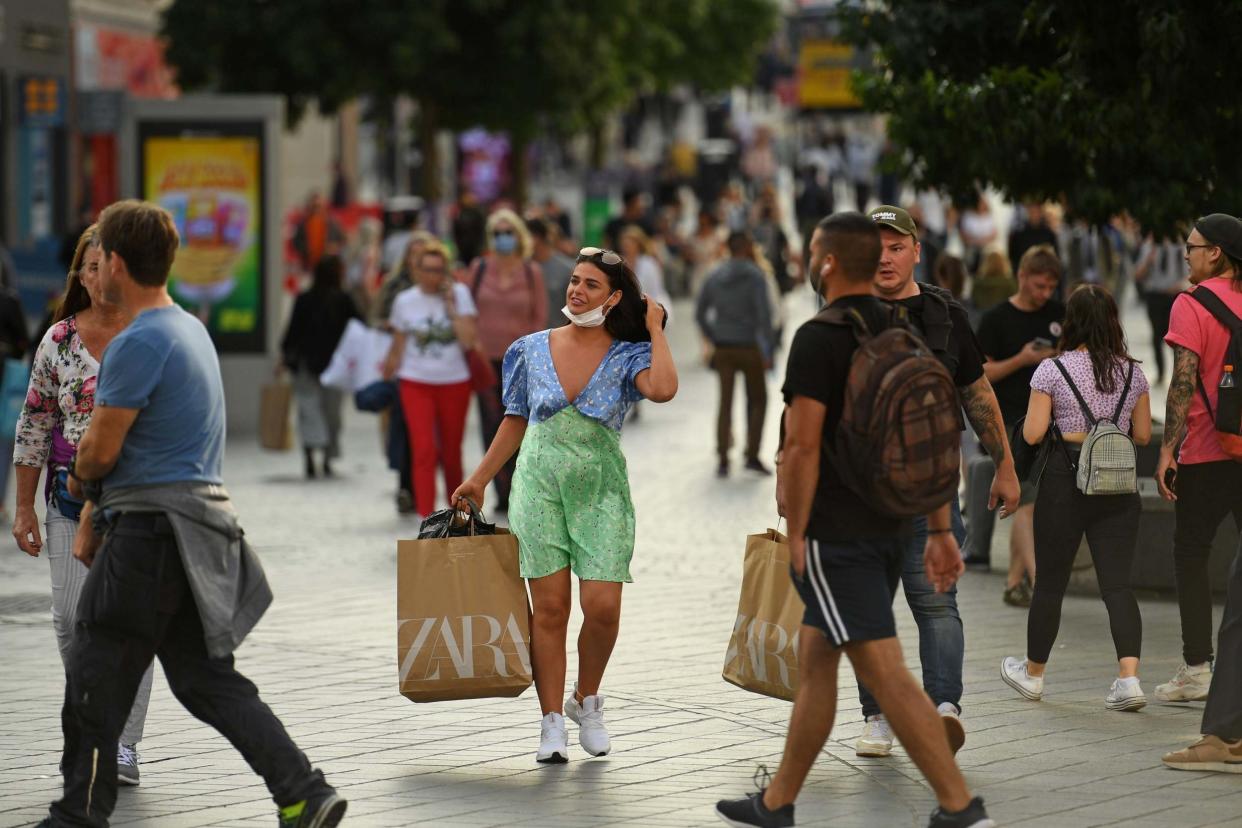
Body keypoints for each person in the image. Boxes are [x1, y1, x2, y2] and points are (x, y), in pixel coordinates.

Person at [40, 199, 345, 828]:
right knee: (206, 680)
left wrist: (81, 484)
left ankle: (78, 815)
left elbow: (100, 447)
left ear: (117, 263)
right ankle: (304, 793)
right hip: (192, 533)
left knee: (94, 675)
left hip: (149, 535)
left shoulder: (139, 341)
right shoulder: (188, 329)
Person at [716, 212, 993, 828]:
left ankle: (961, 810)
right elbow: (931, 435)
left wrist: (800, 536)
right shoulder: (904, 327)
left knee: (886, 676)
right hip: (894, 524)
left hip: (839, 535)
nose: (810, 259)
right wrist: (941, 528)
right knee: (817, 664)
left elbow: (803, 445)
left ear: (830, 262)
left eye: (814, 250)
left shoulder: (820, 336)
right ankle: (777, 802)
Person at [451, 247, 677, 764]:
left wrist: (655, 328)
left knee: (603, 608)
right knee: (549, 611)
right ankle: (551, 721)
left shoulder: (628, 353)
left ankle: (586, 700)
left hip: (601, 493)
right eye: (574, 281)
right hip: (538, 488)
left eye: (591, 285)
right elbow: (515, 419)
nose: (576, 290)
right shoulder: (528, 349)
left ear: (615, 297)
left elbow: (663, 389)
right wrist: (480, 479)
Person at [855, 205, 1020, 759]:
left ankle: (944, 709)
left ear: (916, 250)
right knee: (869, 609)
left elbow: (977, 392)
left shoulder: (945, 314)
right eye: (876, 246)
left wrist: (1005, 464)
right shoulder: (845, 313)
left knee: (936, 602)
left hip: (931, 490)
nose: (885, 256)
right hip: (862, 491)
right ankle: (876, 718)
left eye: (896, 246)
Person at [12, 224, 153, 788]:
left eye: (107, 267)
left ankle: (121, 742)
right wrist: (24, 508)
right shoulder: (59, 340)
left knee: (133, 625)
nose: (98, 280)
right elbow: (35, 423)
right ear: (80, 276)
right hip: (69, 503)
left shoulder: (152, 336)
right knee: (73, 621)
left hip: (140, 505)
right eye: (87, 269)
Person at [1001, 285, 1152, 709]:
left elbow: (1031, 433)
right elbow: (1141, 435)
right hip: (1117, 487)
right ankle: (1129, 679)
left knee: (1050, 582)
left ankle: (1034, 674)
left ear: (1072, 322)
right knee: (1118, 586)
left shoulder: (1052, 371)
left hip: (1064, 483)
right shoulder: (1133, 372)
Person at [1153, 214, 1242, 708]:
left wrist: (1169, 448)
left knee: (1191, 554)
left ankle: (1198, 669)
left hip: (1207, 452)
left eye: (1192, 247)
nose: (1185, 254)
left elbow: (1182, 380)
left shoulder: (1190, 304)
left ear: (1216, 254)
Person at [977, 245, 1066, 607]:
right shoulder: (997, 319)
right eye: (1038, 286)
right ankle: (1042, 583)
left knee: (1029, 504)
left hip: (1051, 423)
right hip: (1010, 421)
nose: (1044, 294)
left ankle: (1015, 582)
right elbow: (981, 373)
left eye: (1050, 287)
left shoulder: (1059, 315)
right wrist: (1023, 359)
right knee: (1027, 503)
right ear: (1022, 277)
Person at [382, 241, 479, 519]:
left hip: (454, 381)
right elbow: (398, 346)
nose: (433, 276)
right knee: (423, 450)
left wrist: (451, 306)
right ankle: (427, 517)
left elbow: (468, 340)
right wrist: (385, 374)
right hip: (415, 381)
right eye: (427, 269)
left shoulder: (460, 294)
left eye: (439, 270)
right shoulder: (404, 301)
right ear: (415, 269)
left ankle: (455, 515)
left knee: (451, 452)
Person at [466, 209, 547, 511]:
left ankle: (517, 485)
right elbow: (468, 312)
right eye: (497, 233)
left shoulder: (531, 272)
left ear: (518, 236)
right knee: (490, 423)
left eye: (508, 232)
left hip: (520, 363)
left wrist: (535, 359)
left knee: (519, 423)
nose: (503, 238)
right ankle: (497, 487)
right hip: (485, 360)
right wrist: (474, 347)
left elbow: (539, 318)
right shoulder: (479, 268)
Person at [696, 232, 774, 478]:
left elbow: (699, 312)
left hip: (723, 346)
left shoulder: (715, 274)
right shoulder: (755, 275)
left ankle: (722, 457)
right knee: (758, 399)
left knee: (725, 402)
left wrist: (714, 334)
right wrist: (768, 350)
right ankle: (752, 454)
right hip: (749, 344)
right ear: (749, 247)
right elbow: (764, 316)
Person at [281, 255, 361, 478]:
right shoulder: (344, 300)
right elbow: (358, 329)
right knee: (331, 412)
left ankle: (309, 454)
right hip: (337, 366)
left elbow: (292, 332)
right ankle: (327, 455)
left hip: (307, 363)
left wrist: (285, 357)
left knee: (308, 410)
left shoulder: (304, 299)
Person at [1133, 234, 1186, 385]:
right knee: (1157, 335)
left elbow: (1188, 275)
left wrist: (1178, 287)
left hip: (1174, 296)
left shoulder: (1179, 247)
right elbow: (1137, 274)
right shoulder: (1149, 246)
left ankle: (1179, 372)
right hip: (1154, 295)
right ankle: (1161, 372)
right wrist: (1149, 259)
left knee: (1176, 337)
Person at [372, 231, 435, 326]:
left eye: (423, 254)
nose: (418, 259)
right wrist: (386, 324)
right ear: (407, 257)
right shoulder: (392, 284)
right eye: (414, 253)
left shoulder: (440, 286)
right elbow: (374, 318)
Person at [618, 227, 672, 320]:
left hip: (648, 311)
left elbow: (656, 290)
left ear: (638, 245)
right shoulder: (619, 264)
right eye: (625, 245)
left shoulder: (649, 264)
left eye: (629, 245)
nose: (626, 248)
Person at [529, 218, 574, 328]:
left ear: (537, 238)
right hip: (525, 338)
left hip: (555, 334)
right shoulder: (521, 269)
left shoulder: (567, 269)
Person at [291, 190, 345, 274]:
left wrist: (333, 248)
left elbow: (342, 240)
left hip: (327, 267)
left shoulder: (331, 223)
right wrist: (306, 249)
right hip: (308, 267)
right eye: (314, 206)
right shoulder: (302, 224)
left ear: (323, 205)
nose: (316, 208)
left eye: (318, 206)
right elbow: (295, 243)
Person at [1008, 203, 1059, 277]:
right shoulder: (1019, 234)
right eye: (1032, 211)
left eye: (1036, 211)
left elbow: (1055, 256)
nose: (1034, 214)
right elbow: (1013, 256)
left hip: (1044, 274)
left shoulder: (1048, 234)